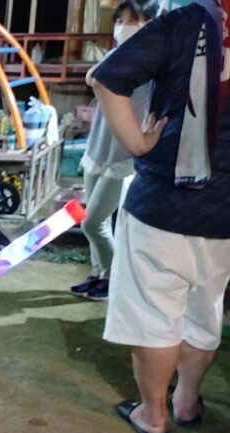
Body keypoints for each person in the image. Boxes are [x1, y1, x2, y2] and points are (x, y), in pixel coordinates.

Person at [92, 0, 230, 433]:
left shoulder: (190, 21)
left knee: (153, 316)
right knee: (205, 310)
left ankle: (153, 415)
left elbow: (106, 78)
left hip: (163, 202)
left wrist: (137, 142)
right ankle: (186, 401)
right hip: (224, 216)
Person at [72, 0, 160, 302]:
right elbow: (91, 77)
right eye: (120, 20)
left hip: (123, 155)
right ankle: (99, 275)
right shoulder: (115, 55)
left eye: (131, 20)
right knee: (96, 221)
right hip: (99, 147)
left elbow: (96, 79)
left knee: (92, 221)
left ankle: (113, 279)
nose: (123, 26)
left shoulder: (150, 63)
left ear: (148, 23)